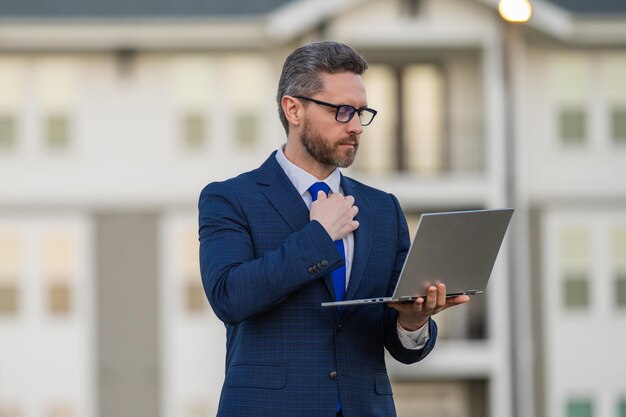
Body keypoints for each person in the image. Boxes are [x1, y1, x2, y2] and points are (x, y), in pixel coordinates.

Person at [198, 41, 469, 417]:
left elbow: (402, 345)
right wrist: (318, 238)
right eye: (342, 111)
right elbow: (229, 297)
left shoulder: (383, 209)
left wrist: (413, 321)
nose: (357, 126)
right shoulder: (230, 199)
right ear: (293, 109)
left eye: (361, 112)